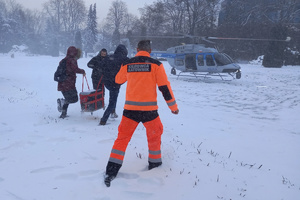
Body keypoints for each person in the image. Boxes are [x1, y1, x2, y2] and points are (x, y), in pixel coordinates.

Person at [104, 40, 179, 187]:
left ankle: (111, 171)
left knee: (122, 139)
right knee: (154, 135)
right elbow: (164, 88)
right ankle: (155, 165)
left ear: (137, 49)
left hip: (130, 111)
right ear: (149, 50)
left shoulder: (127, 64)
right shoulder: (156, 65)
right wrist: (173, 107)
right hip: (149, 111)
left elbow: (118, 80)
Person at [98, 44, 129, 125]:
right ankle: (103, 120)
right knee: (113, 101)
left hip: (107, 82)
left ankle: (113, 112)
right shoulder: (124, 59)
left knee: (112, 97)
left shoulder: (109, 57)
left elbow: (101, 65)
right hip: (116, 82)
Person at [57, 46, 85, 119]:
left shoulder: (63, 60)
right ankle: (62, 102)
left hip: (62, 82)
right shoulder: (72, 60)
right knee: (74, 98)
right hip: (69, 83)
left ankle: (63, 113)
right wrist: (82, 71)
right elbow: (74, 69)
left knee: (68, 98)